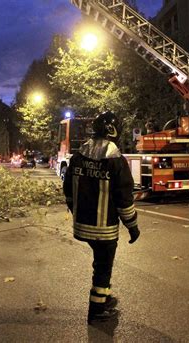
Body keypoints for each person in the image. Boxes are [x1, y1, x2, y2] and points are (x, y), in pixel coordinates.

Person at [63, 111, 140, 325]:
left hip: (82, 225)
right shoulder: (116, 161)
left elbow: (68, 190)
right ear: (114, 131)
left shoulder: (78, 156)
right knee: (103, 266)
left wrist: (76, 211)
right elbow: (124, 199)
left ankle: (103, 298)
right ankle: (97, 309)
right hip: (104, 229)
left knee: (100, 264)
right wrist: (133, 226)